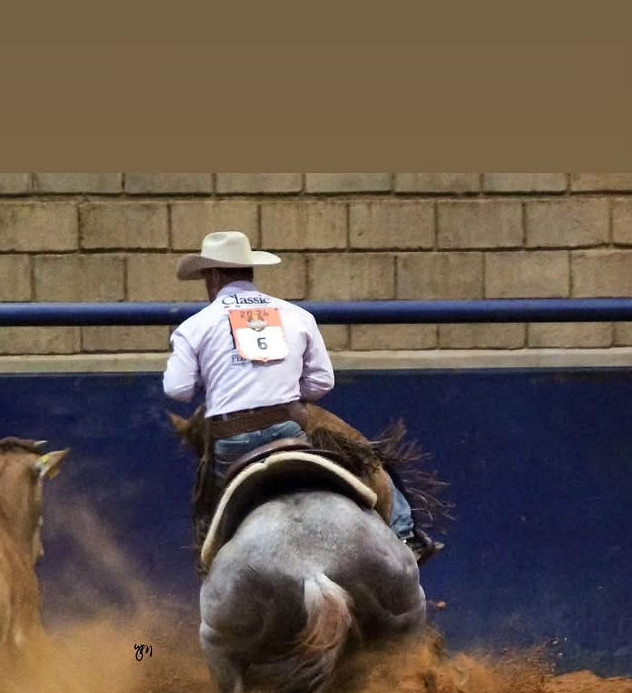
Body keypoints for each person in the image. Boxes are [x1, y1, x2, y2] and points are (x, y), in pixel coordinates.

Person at [162, 230, 443, 564]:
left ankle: (211, 564)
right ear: (249, 270)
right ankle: (405, 533)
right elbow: (322, 383)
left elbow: (177, 390)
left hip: (231, 441)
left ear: (212, 276)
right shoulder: (297, 316)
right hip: (289, 429)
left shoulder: (194, 327)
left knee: (206, 506)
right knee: (367, 458)